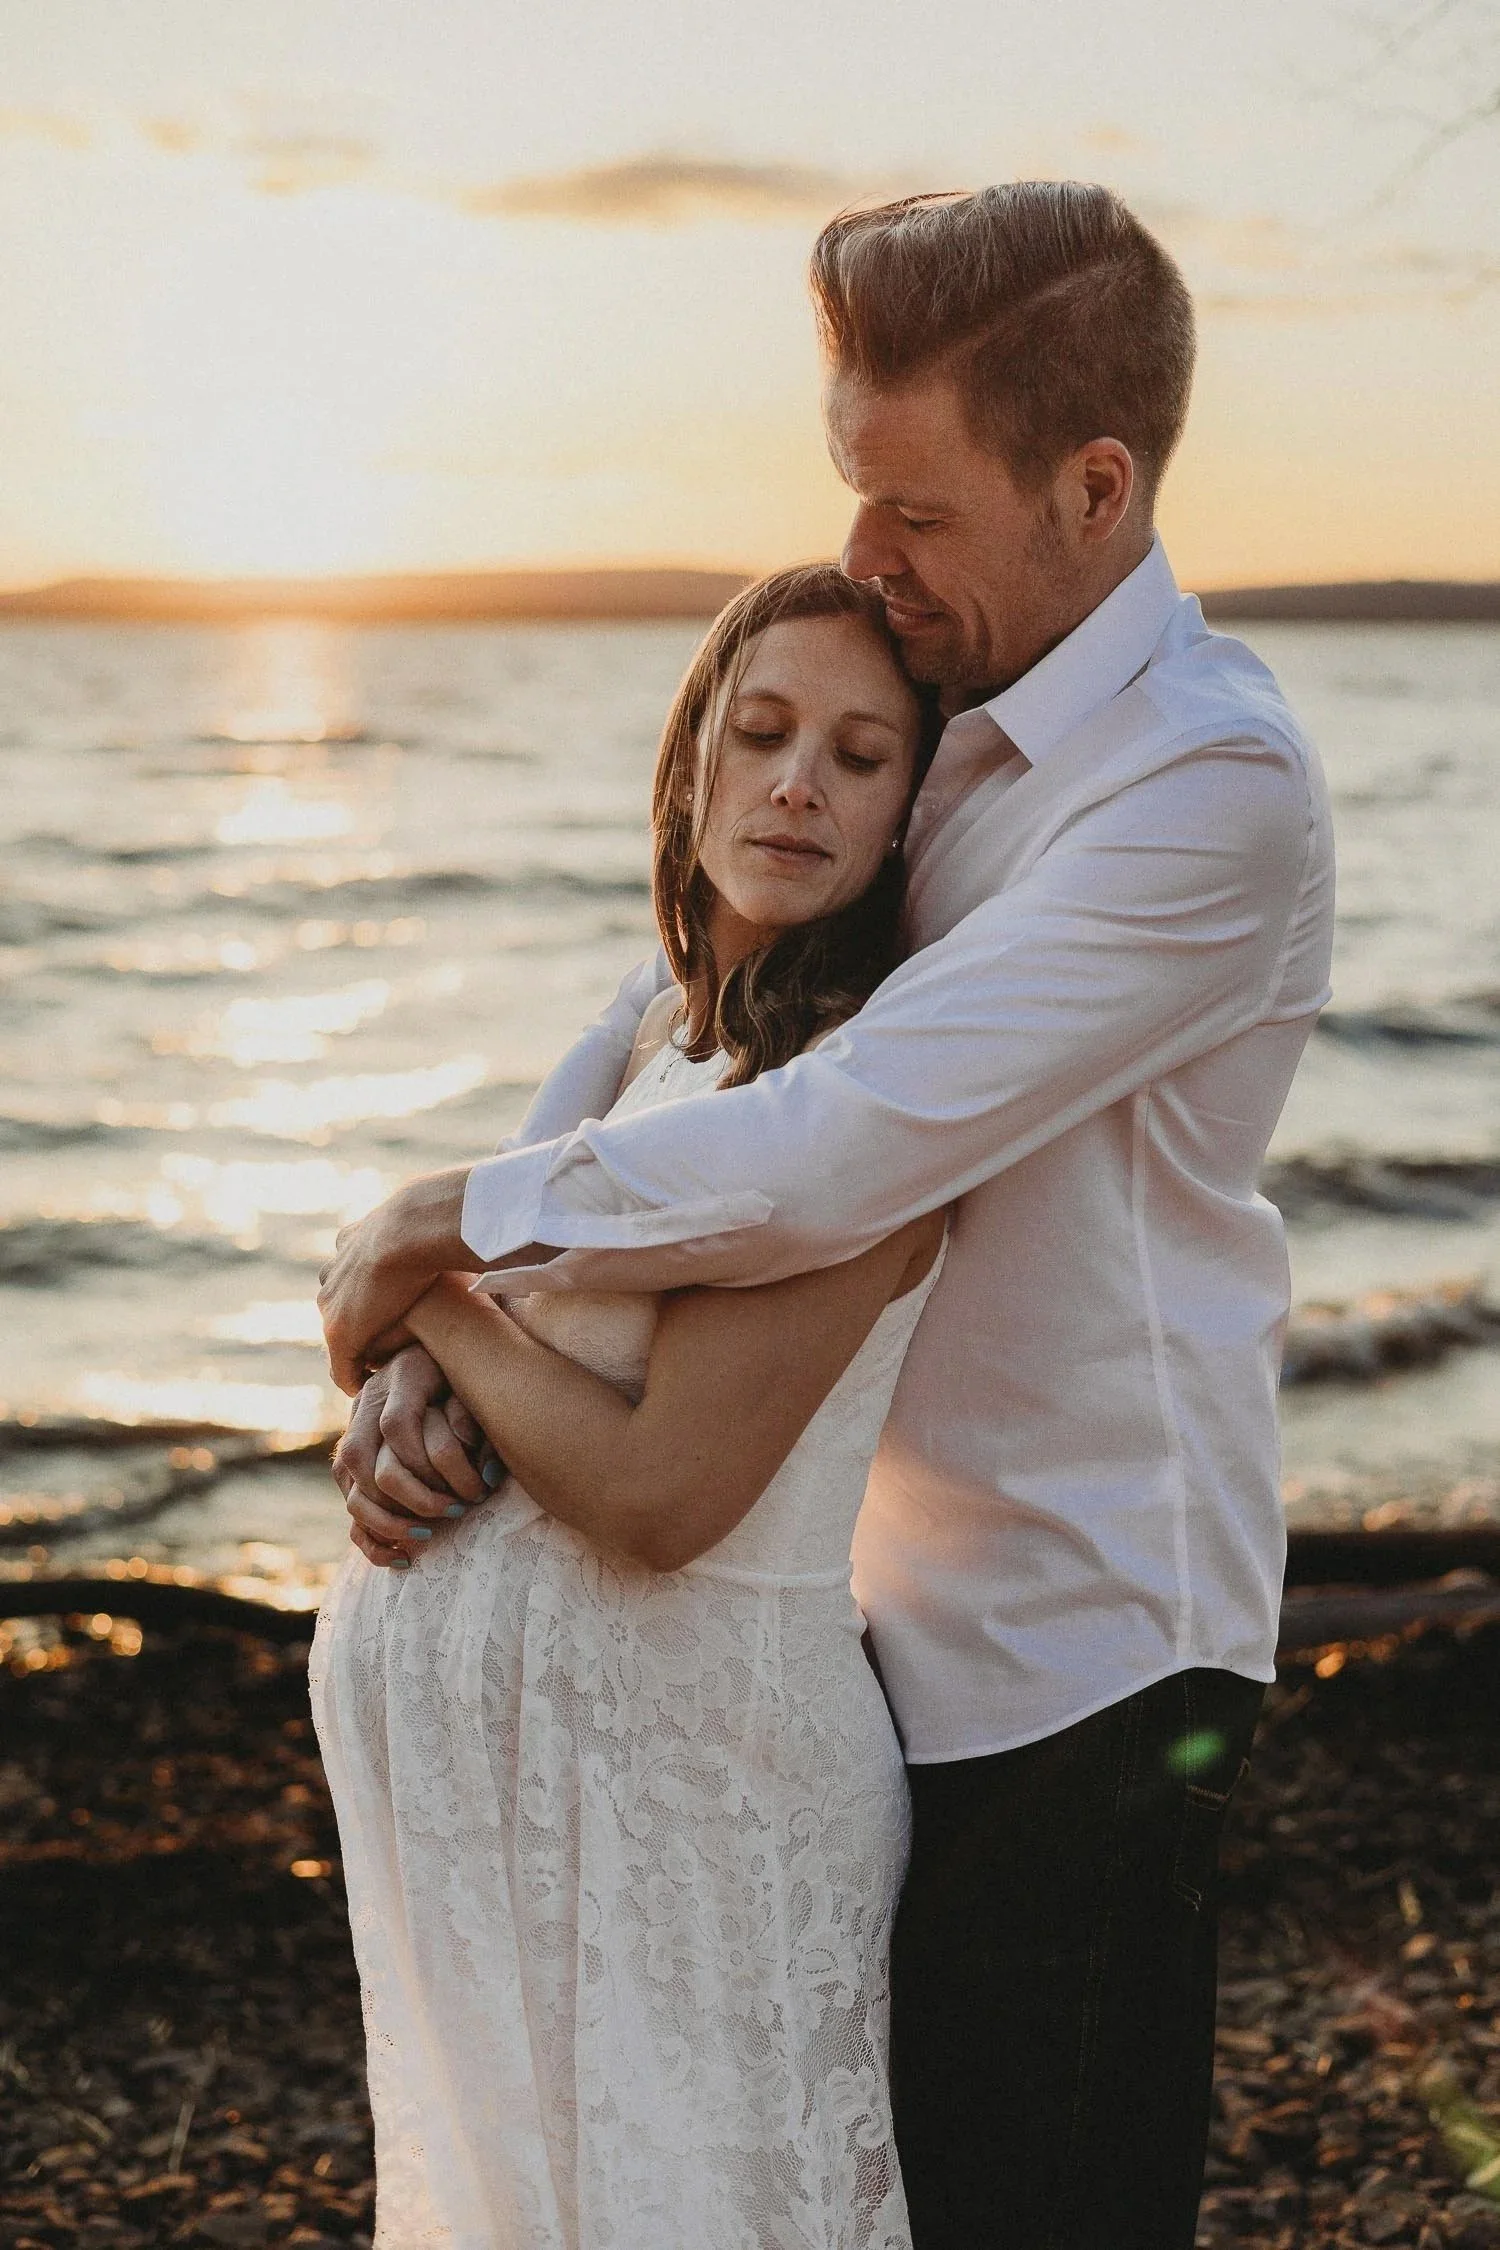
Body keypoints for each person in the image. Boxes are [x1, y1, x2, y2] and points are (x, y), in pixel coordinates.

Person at [321, 183, 1336, 2249]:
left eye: (915, 509)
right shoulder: (939, 717)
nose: (866, 559)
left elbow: (841, 1140)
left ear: (1097, 483)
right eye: (848, 495)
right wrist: (440, 1359)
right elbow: (682, 1012)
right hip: (858, 1650)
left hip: (1077, 1670)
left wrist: (449, 1229)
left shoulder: (1199, 793)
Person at [311, 563, 950, 2249]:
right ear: (692, 766)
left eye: (863, 754)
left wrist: (431, 1287)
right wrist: (404, 1397)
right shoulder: (649, 1030)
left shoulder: (873, 1099)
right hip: (531, 1849)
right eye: (764, 731)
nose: (802, 779)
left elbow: (665, 1493)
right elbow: (441, 1331)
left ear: (908, 814)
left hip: (701, 1836)